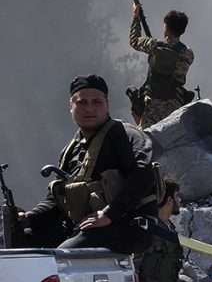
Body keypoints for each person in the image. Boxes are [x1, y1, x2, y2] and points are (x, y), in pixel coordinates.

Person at [22, 75, 158, 254]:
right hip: (86, 227)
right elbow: (56, 200)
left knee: (62, 256)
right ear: (71, 106)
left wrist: (109, 213)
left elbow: (143, 175)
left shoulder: (125, 136)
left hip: (127, 226)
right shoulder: (71, 150)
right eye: (82, 102)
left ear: (107, 104)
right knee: (17, 240)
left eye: (96, 102)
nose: (89, 108)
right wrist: (28, 218)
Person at [130, 5, 194, 128]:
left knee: (148, 139)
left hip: (153, 103)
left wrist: (136, 17)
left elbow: (134, 40)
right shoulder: (188, 53)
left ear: (167, 27)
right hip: (175, 102)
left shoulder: (154, 45)